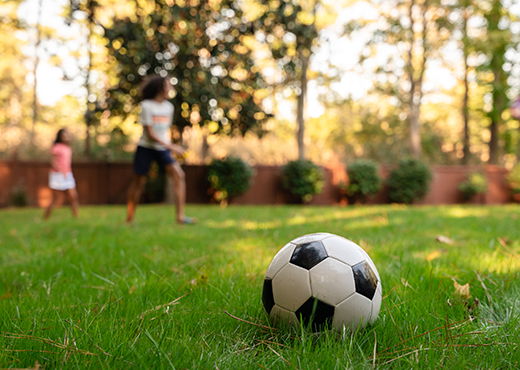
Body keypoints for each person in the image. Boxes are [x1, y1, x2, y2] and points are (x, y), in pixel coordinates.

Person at [126, 75, 196, 225]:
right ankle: (130, 218)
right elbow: (150, 134)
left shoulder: (168, 107)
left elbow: (165, 131)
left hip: (162, 148)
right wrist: (172, 147)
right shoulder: (146, 106)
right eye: (168, 86)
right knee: (138, 182)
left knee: (179, 175)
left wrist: (168, 147)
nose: (170, 89)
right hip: (146, 147)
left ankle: (180, 217)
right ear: (160, 88)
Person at [44, 128, 79, 220]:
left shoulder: (68, 148)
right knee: (55, 199)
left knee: (73, 196)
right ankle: (46, 218)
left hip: (68, 174)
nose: (66, 137)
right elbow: (53, 162)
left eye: (67, 135)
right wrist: (61, 170)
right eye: (64, 135)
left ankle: (76, 219)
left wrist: (66, 172)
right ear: (60, 137)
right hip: (57, 175)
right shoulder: (56, 147)